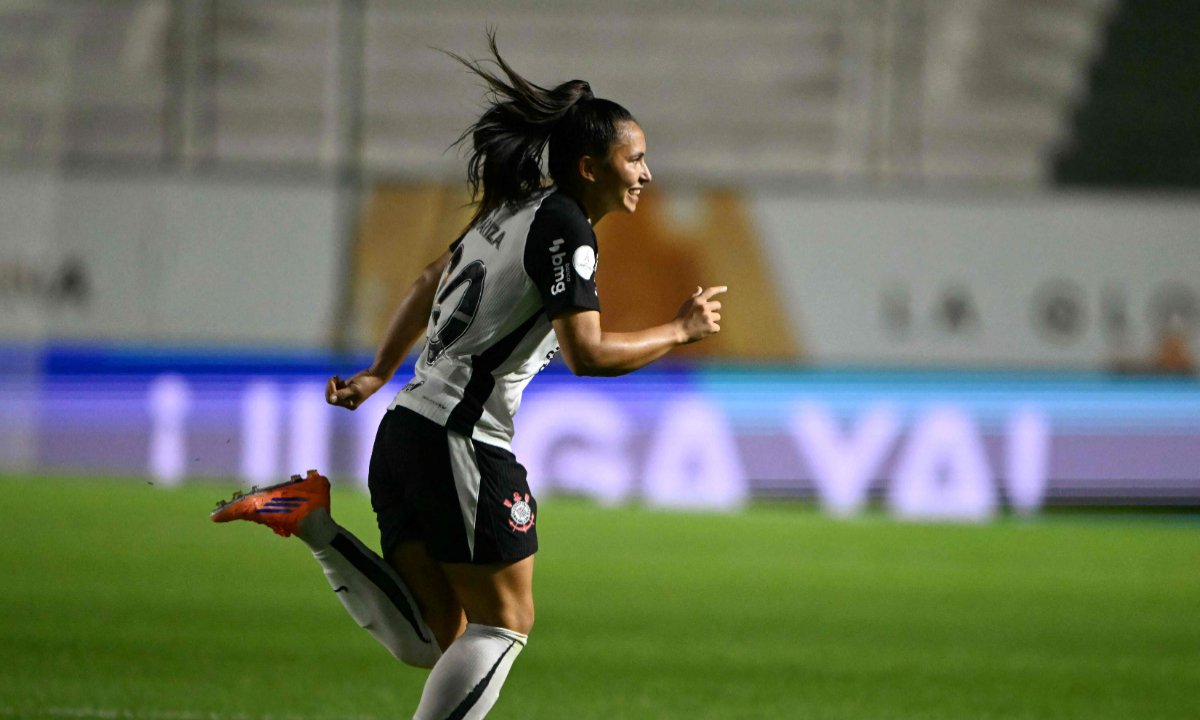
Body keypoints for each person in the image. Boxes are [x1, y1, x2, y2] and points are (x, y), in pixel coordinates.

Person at [211, 33, 726, 720]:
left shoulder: (513, 209)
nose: (647, 173)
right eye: (635, 158)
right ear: (590, 164)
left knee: (436, 635)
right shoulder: (566, 229)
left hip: (406, 431)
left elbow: (430, 279)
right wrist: (679, 330)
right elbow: (589, 355)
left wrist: (376, 373)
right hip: (460, 439)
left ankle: (310, 519)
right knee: (503, 623)